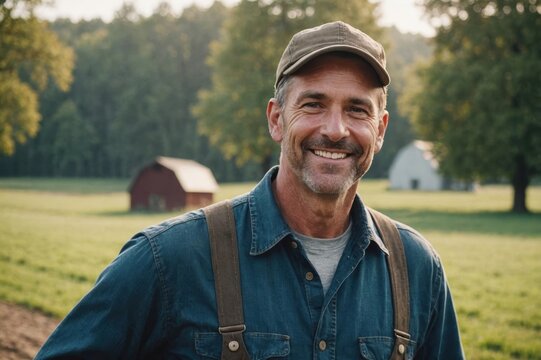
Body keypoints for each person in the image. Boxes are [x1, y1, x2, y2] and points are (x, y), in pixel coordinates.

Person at [36, 21, 464, 359]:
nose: (336, 130)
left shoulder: (417, 269)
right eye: (313, 104)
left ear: (381, 129)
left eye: (357, 110)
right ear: (277, 119)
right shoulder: (170, 260)